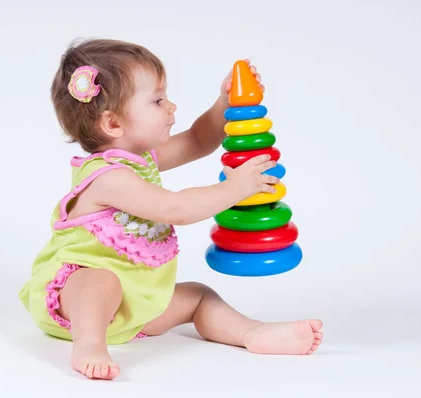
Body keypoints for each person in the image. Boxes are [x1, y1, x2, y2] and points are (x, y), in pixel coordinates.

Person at [18, 38, 323, 380]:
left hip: (132, 308)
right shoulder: (107, 177)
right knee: (99, 279)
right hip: (74, 303)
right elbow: (175, 208)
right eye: (158, 100)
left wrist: (224, 104)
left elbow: (197, 140)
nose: (172, 107)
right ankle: (88, 345)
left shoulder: (141, 159)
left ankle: (252, 333)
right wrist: (233, 188)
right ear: (114, 124)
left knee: (198, 297)